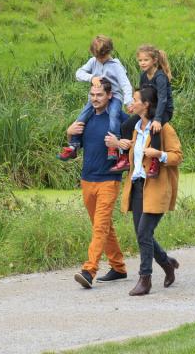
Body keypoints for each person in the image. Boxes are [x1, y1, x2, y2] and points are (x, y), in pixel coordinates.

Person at [107, 85, 182, 296]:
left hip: (157, 187)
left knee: (143, 232)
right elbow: (132, 154)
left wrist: (159, 154)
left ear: (146, 104)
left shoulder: (164, 128)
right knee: (143, 235)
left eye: (135, 99)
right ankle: (167, 263)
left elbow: (177, 156)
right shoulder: (135, 127)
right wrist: (119, 144)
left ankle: (145, 279)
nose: (132, 102)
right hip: (138, 186)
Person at [67, 77, 129, 289]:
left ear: (109, 95)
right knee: (102, 226)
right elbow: (74, 152)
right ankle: (119, 267)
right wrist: (69, 134)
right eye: (92, 95)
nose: (95, 99)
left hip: (109, 180)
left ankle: (89, 270)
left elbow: (136, 143)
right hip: (87, 179)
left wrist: (118, 143)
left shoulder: (119, 117)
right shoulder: (85, 119)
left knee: (100, 226)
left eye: (99, 95)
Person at [58, 35, 133, 162]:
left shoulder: (116, 65)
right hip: (96, 96)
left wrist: (128, 101)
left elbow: (125, 84)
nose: (100, 60)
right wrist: (92, 78)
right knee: (82, 116)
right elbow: (78, 74)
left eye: (102, 57)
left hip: (114, 96)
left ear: (109, 52)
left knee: (114, 115)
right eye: (97, 57)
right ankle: (73, 146)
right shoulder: (93, 61)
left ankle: (113, 147)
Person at [109, 45, 174, 178]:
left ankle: (155, 162)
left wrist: (157, 120)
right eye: (140, 60)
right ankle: (125, 157)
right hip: (149, 108)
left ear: (154, 60)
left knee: (154, 128)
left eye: (146, 60)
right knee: (126, 126)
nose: (142, 63)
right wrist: (134, 105)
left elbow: (162, 99)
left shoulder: (160, 77)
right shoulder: (144, 75)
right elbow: (142, 95)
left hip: (163, 110)